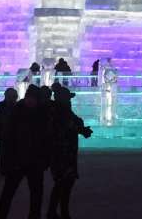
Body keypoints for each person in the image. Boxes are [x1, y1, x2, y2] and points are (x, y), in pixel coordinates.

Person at [0, 84, 51, 219]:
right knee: (8, 192)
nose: (30, 100)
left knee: (35, 194)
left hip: (35, 160)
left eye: (33, 98)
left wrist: (45, 158)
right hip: (18, 160)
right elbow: (8, 137)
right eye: (28, 97)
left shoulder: (42, 114)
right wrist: (8, 157)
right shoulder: (18, 112)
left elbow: (46, 138)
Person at [47, 83, 92, 219]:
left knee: (65, 183)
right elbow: (68, 126)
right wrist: (81, 129)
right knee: (63, 183)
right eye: (68, 98)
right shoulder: (59, 112)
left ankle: (58, 212)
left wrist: (82, 129)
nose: (70, 100)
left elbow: (75, 123)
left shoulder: (63, 110)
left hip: (67, 152)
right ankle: (57, 212)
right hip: (62, 153)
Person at [0, 88, 18, 175]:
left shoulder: (2, 107)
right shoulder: (15, 107)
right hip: (6, 133)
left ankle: (5, 168)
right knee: (7, 152)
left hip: (6, 132)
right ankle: (7, 168)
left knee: (6, 153)